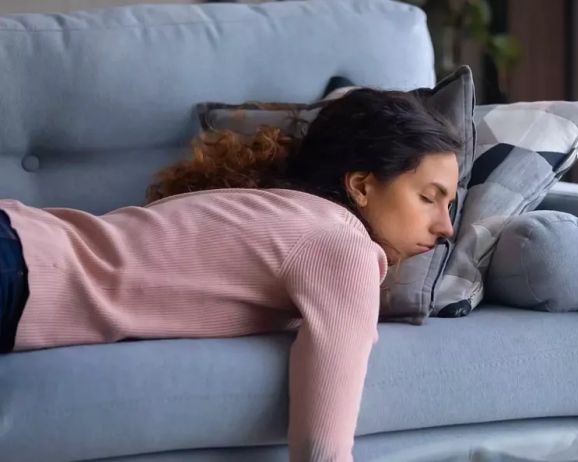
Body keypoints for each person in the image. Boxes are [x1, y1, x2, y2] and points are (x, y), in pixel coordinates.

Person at [0, 88, 461, 461]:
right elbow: (321, 450)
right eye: (429, 197)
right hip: (20, 268)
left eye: (450, 204)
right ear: (361, 185)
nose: (446, 227)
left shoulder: (273, 208)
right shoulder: (343, 248)